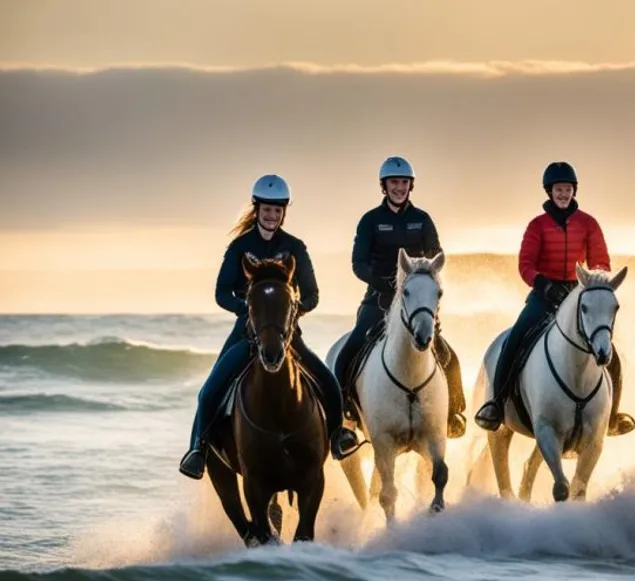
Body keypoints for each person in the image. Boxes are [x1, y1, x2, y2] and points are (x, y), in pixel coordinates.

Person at [178, 174, 359, 480]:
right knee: (209, 391)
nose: (272, 215)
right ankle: (198, 449)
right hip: (245, 332)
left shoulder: (295, 247)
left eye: (277, 210)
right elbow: (221, 293)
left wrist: (290, 313)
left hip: (287, 335)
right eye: (267, 209)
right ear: (257, 208)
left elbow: (312, 295)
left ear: (283, 212)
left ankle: (337, 436)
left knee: (327, 381)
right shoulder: (239, 247)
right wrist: (248, 310)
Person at [473, 161, 635, 435]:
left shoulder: (588, 223)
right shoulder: (537, 226)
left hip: (578, 296)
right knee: (514, 340)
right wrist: (544, 285)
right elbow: (525, 264)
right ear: (549, 192)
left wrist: (591, 281)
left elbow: (601, 262)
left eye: (568, 189)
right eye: (559, 189)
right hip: (543, 297)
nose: (563, 194)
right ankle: (497, 404)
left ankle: (612, 417)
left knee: (612, 355)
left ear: (574, 191)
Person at [332, 156, 467, 438]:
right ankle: (344, 418)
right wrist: (386, 283)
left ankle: (453, 414)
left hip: (416, 303)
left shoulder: (422, 220)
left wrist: (420, 282)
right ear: (384, 186)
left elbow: (434, 255)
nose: (399, 188)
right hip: (378, 300)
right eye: (394, 182)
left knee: (448, 355)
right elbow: (359, 263)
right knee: (349, 351)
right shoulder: (370, 221)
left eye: (403, 183)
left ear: (410, 186)